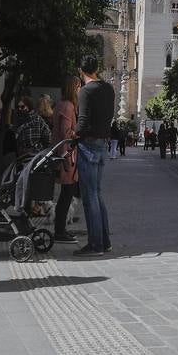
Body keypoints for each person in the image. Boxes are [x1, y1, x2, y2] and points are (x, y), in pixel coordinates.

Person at [72, 55, 116, 256]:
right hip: (102, 143)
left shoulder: (85, 91)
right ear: (97, 68)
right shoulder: (109, 89)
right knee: (97, 194)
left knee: (90, 197)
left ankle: (96, 244)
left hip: (87, 144)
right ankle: (105, 242)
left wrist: (74, 135)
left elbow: (82, 122)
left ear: (81, 71)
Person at [51, 77, 82, 245]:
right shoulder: (68, 106)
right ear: (73, 87)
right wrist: (79, 133)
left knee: (66, 195)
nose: (80, 90)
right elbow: (66, 133)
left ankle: (60, 229)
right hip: (67, 157)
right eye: (78, 87)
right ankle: (60, 231)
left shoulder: (61, 104)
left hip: (63, 154)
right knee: (66, 195)